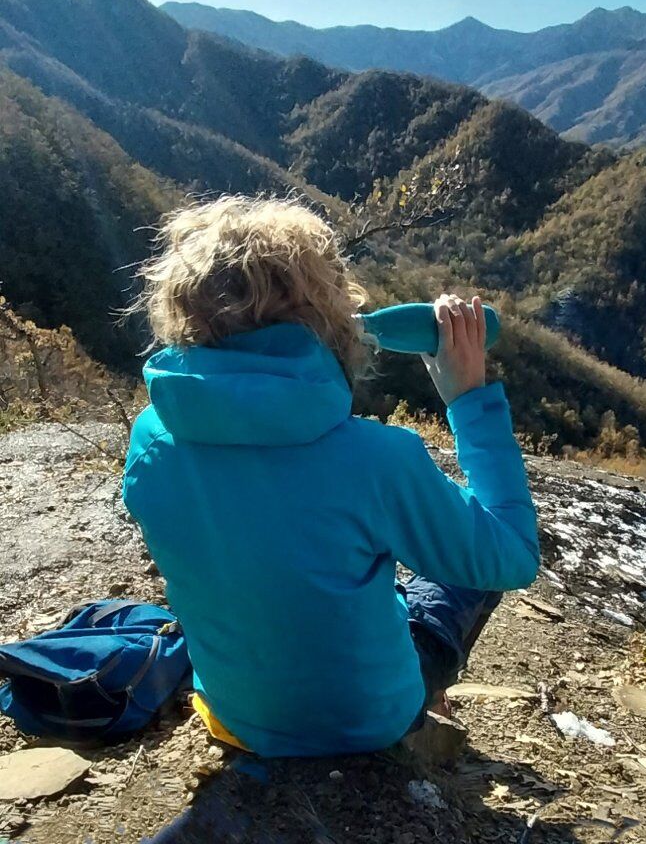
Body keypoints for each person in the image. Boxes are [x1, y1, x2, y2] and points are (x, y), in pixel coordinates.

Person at [123, 195, 540, 757]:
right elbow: (514, 556)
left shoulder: (152, 438)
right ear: (330, 314)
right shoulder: (377, 459)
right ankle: (423, 696)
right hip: (367, 721)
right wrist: (471, 399)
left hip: (237, 716)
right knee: (475, 555)